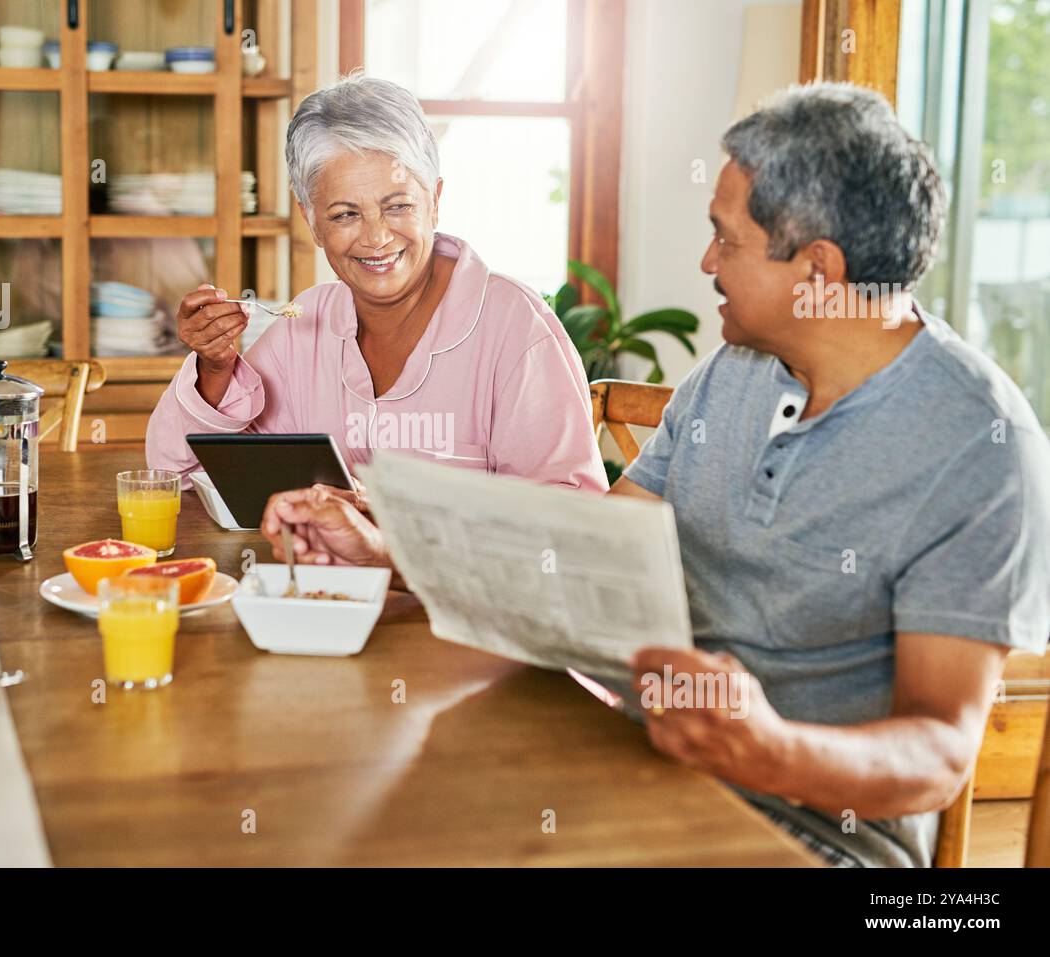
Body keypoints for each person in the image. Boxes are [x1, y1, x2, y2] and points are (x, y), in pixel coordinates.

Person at [259, 83, 1050, 867]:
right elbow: (584, 556)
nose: (706, 262)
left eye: (726, 240)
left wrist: (773, 750)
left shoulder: (977, 442)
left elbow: (940, 749)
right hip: (630, 757)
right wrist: (389, 548)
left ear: (818, 268)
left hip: (803, 831)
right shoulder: (731, 374)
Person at [145, 75, 605, 493]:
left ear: (435, 200)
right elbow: (180, 478)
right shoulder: (305, 325)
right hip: (321, 587)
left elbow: (570, 523)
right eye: (345, 214)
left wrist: (395, 541)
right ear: (312, 222)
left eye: (398, 206)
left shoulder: (517, 328)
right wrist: (216, 369)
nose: (377, 238)